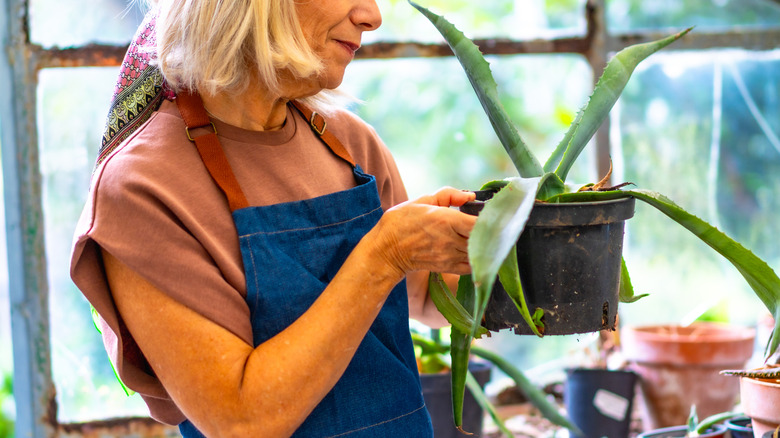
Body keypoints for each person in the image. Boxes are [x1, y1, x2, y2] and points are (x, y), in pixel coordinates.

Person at [70, 0, 478, 437]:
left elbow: (423, 293)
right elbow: (243, 420)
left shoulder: (347, 142)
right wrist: (385, 254)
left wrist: (519, 256)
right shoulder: (141, 190)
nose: (372, 16)